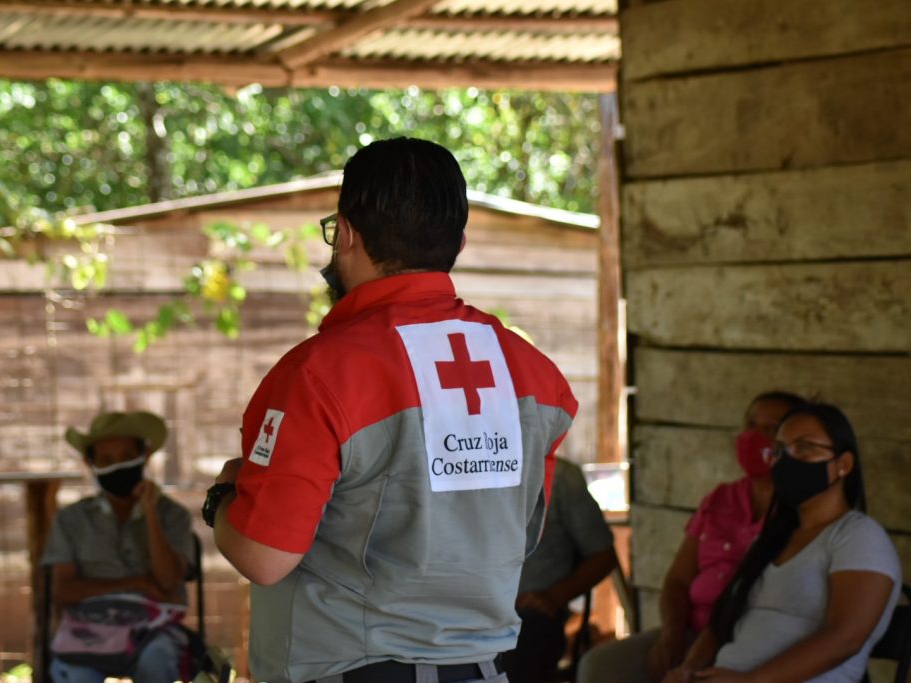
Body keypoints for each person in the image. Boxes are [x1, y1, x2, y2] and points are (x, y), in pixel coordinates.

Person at [203, 137, 579, 683]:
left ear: (348, 233)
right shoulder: (535, 376)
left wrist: (221, 500)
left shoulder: (319, 373)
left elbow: (264, 556)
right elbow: (520, 533)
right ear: (459, 242)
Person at [663, 402, 901, 682]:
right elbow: (722, 622)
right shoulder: (770, 540)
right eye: (779, 451)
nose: (786, 460)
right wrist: (689, 669)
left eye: (804, 447)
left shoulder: (858, 536)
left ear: (843, 465)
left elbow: (845, 638)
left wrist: (752, 680)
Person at [578, 391, 806, 683]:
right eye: (750, 424)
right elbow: (677, 581)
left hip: (750, 640)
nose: (754, 436)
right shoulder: (720, 499)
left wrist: (697, 658)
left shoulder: (802, 510)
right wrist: (671, 636)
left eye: (770, 429)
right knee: (600, 667)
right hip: (689, 631)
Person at [42, 411, 194, 683]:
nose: (118, 466)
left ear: (144, 455)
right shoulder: (71, 519)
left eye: (126, 457)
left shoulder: (173, 515)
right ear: (90, 463)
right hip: (88, 630)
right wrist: (139, 583)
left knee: (158, 661)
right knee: (76, 676)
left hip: (153, 631)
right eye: (106, 460)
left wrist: (149, 512)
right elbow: (63, 592)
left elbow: (169, 580)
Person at [503, 458, 617, 683]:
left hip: (529, 619)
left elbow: (603, 557)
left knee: (512, 651)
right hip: (471, 610)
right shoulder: (457, 471)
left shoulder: (560, 477)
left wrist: (554, 596)